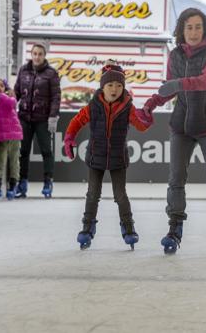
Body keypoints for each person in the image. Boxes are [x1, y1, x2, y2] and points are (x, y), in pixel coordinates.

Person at [143, 7, 206, 255]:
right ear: (182, 30)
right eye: (189, 27)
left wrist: (177, 83)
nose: (194, 32)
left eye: (198, 27)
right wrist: (151, 104)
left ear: (205, 30)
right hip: (181, 126)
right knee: (176, 179)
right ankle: (174, 229)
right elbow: (170, 90)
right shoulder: (174, 55)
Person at [64, 61, 153, 250]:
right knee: (92, 194)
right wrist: (69, 138)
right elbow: (77, 121)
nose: (115, 89)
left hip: (118, 158)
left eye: (119, 85)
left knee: (120, 195)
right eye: (110, 85)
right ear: (103, 87)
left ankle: (128, 229)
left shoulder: (127, 107)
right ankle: (87, 229)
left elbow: (141, 125)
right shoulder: (93, 106)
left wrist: (146, 116)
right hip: (95, 157)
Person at [14, 43, 61, 198]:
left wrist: (53, 116)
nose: (37, 56)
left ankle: (48, 182)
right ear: (31, 54)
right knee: (23, 151)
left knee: (46, 151)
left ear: (44, 55)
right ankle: (22, 183)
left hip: (43, 119)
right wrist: (9, 106)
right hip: (24, 117)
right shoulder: (23, 70)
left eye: (40, 54)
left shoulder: (51, 73)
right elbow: (16, 92)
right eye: (35, 53)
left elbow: (55, 97)